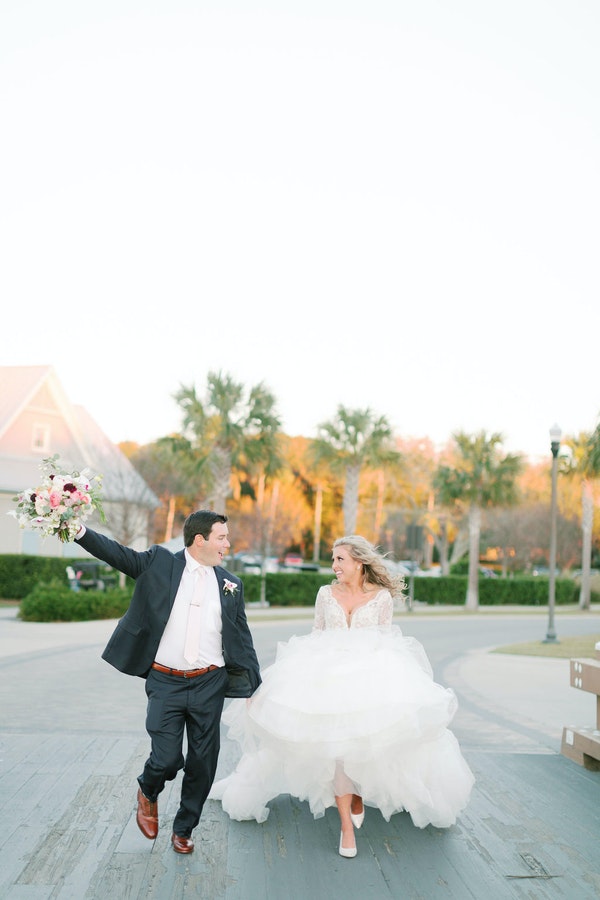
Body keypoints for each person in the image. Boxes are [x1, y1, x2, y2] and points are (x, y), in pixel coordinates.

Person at [209, 535, 474, 858]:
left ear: (359, 562)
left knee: (359, 748)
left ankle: (356, 796)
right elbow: (316, 635)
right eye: (333, 559)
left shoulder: (381, 598)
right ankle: (347, 828)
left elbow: (386, 641)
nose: (334, 565)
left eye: (340, 559)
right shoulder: (325, 594)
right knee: (337, 753)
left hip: (367, 681)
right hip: (327, 681)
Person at [72, 510, 261, 854]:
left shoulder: (231, 584)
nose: (228, 544)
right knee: (167, 758)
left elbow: (241, 635)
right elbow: (116, 553)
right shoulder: (159, 563)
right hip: (165, 680)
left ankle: (184, 828)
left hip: (210, 683)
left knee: (203, 763)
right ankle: (148, 789)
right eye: (222, 537)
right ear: (200, 539)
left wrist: (253, 686)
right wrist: (78, 530)